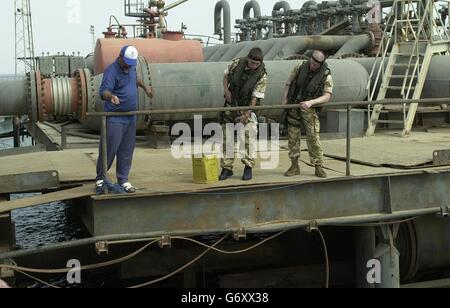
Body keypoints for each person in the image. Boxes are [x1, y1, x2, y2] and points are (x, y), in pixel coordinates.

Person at [95, 45, 154, 194]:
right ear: (120, 57)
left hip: (130, 117)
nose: (128, 65)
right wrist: (111, 96)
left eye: (131, 63)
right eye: (127, 62)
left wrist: (145, 88)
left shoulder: (131, 68)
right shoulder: (112, 71)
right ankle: (101, 178)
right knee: (110, 148)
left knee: (126, 150)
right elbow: (104, 92)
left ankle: (123, 179)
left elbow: (135, 78)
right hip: (115, 117)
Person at [281, 50, 333, 178]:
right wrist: (284, 99)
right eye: (312, 62)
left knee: (313, 137)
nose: (312, 66)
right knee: (293, 138)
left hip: (309, 109)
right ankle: (294, 166)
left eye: (316, 65)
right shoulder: (300, 67)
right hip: (294, 107)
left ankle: (318, 166)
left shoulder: (326, 75)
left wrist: (311, 102)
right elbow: (288, 82)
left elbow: (327, 96)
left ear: (320, 64)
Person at [219, 47, 268, 181]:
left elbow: (255, 97)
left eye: (257, 64)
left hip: (248, 106)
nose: (254, 66)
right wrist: (226, 91)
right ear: (248, 59)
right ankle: (226, 168)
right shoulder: (236, 64)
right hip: (231, 104)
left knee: (248, 136)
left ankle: (248, 167)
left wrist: (247, 114)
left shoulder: (262, 75)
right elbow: (225, 75)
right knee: (227, 136)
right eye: (252, 63)